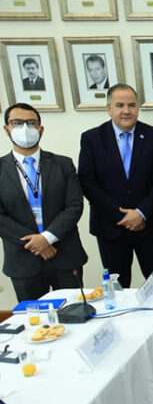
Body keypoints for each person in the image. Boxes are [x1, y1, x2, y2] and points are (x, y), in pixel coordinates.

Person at [78, 84, 153, 288]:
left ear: (137, 108)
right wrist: (122, 216)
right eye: (120, 105)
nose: (126, 111)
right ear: (108, 108)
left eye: (131, 105)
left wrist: (141, 212)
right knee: (117, 288)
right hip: (110, 227)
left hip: (150, 224)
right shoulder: (92, 139)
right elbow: (87, 181)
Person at [0, 103, 87, 301]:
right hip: (23, 260)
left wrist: (47, 237)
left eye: (31, 123)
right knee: (33, 318)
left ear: (41, 129)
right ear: (7, 129)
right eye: (17, 123)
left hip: (65, 255)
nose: (25, 128)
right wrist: (37, 243)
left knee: (74, 312)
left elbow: (74, 206)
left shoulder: (63, 164)